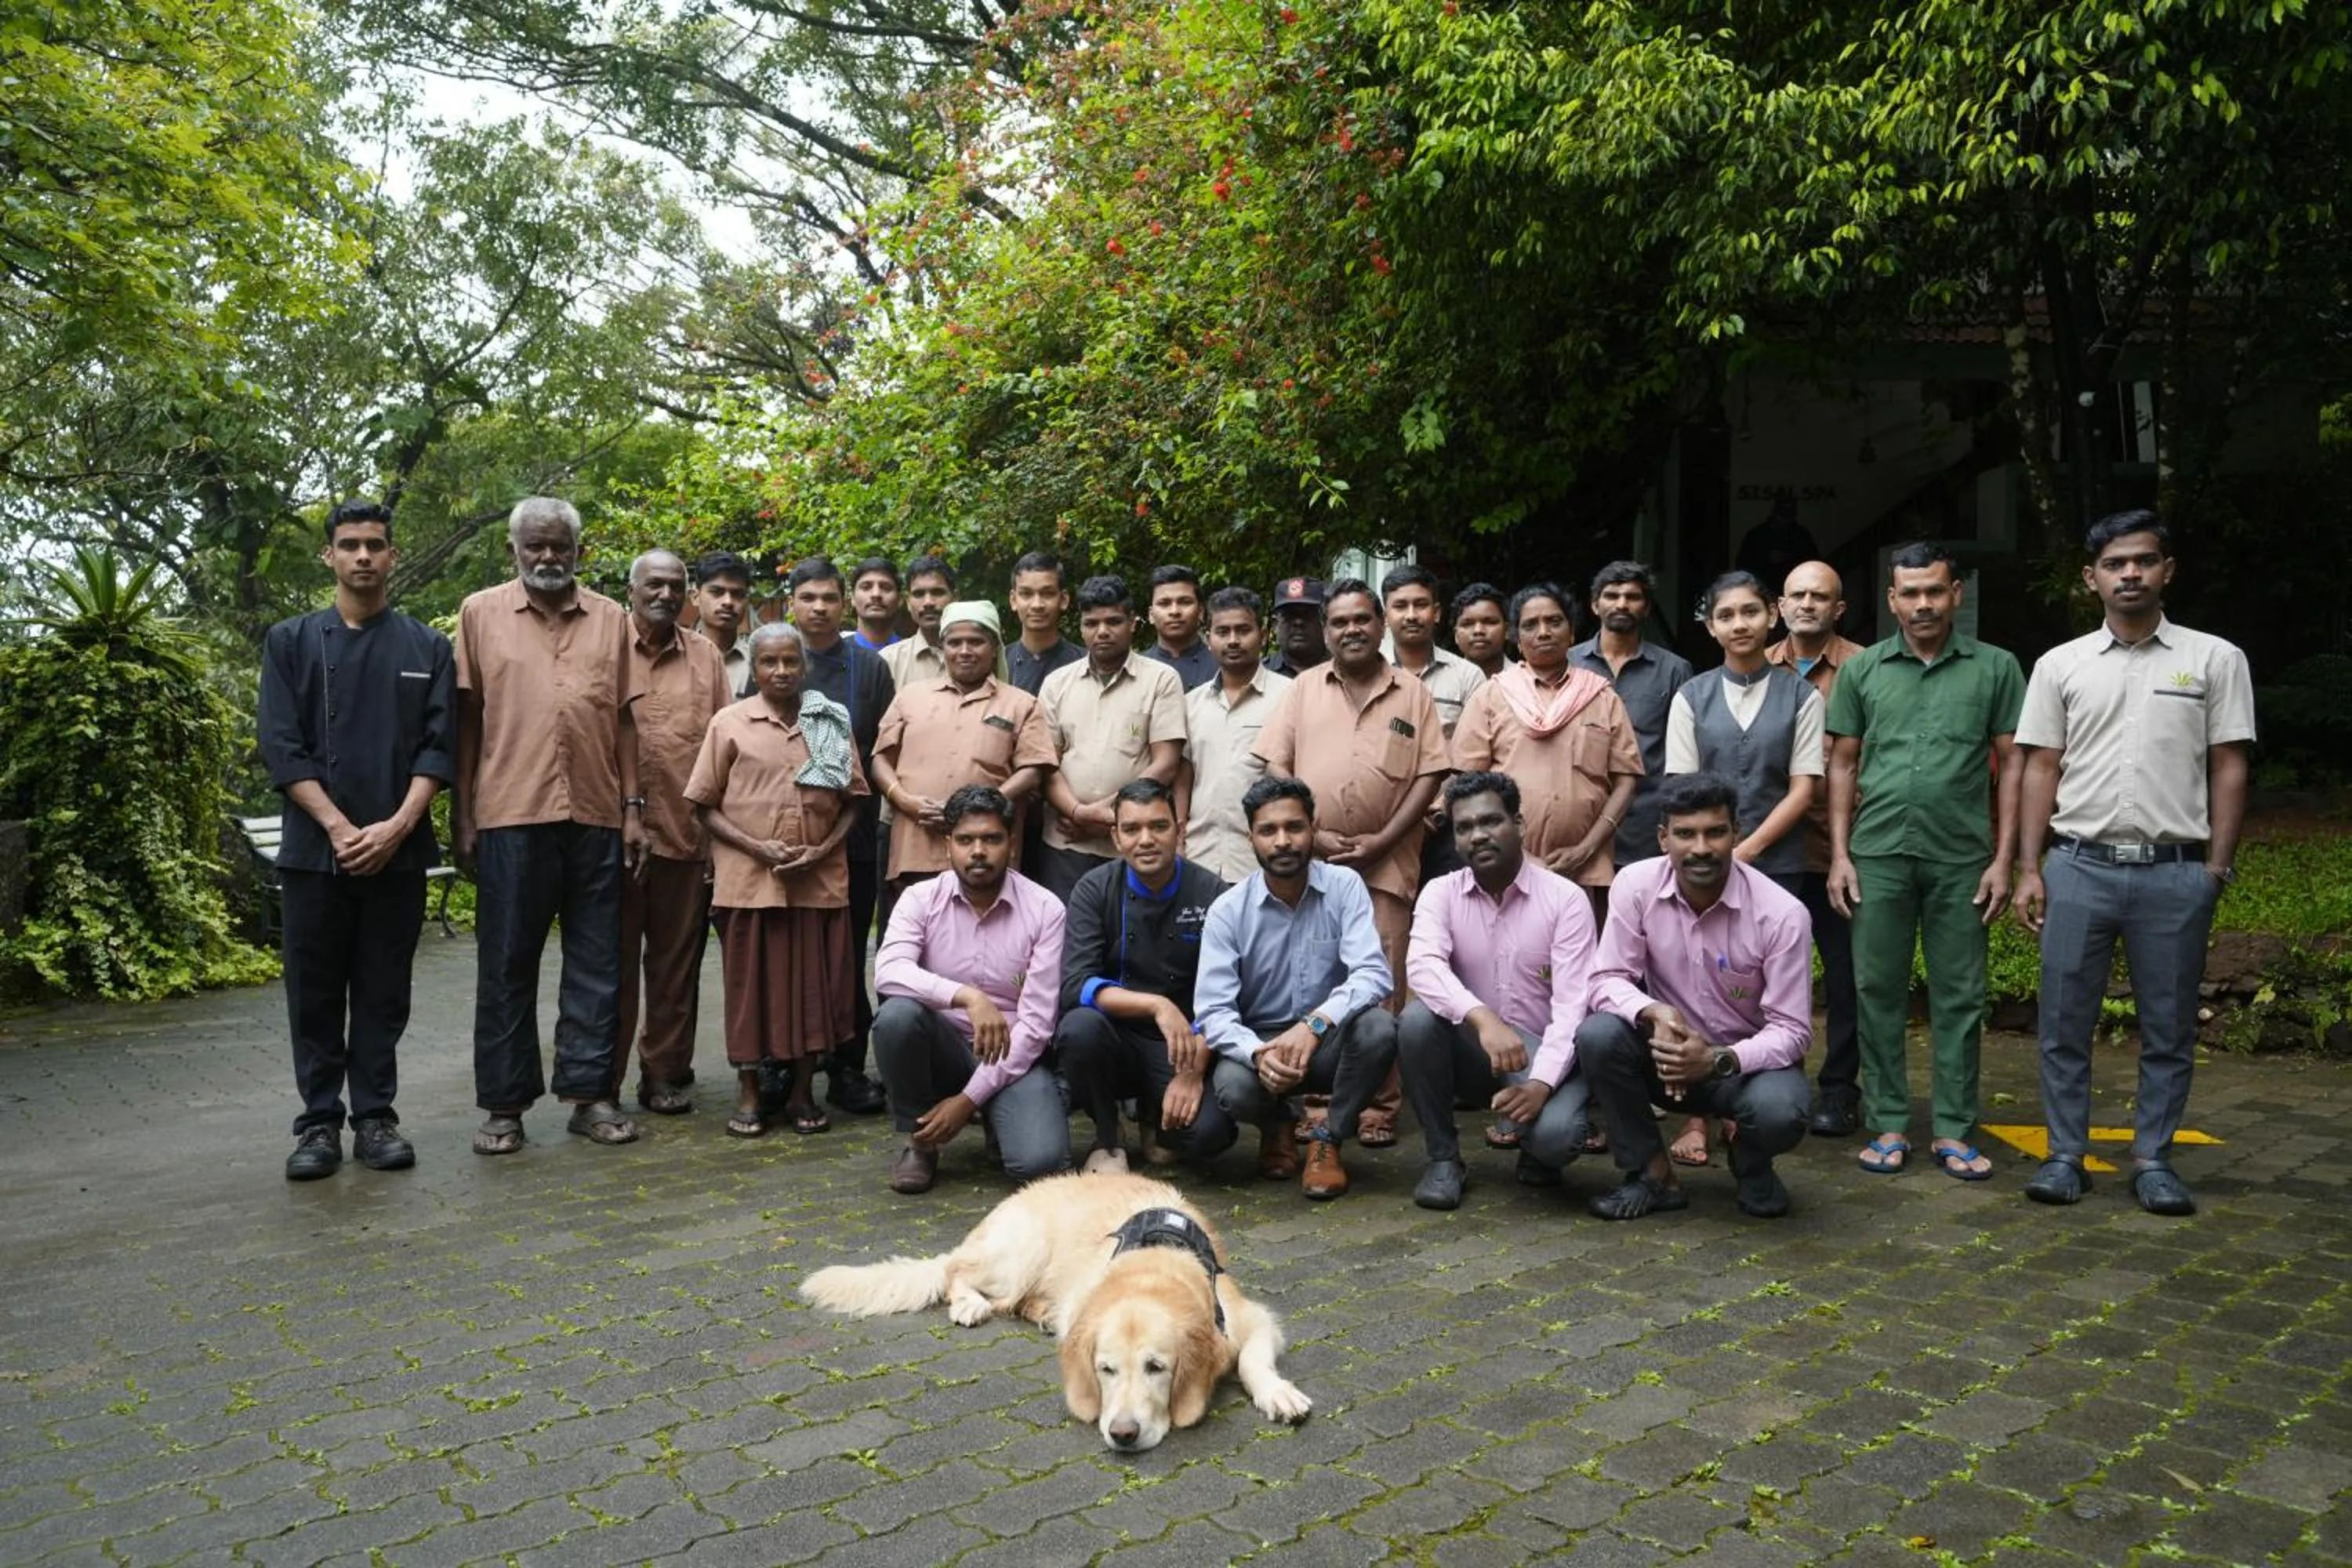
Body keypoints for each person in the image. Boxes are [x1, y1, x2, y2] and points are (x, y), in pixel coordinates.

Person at [2013, 513, 2255, 1217]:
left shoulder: (2215, 659)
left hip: (2174, 872)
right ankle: (2064, 1156)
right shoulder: (2060, 665)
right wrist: (2030, 867)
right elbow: (2040, 767)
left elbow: (2229, 764)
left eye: (2143, 561)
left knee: (2170, 1026)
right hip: (2077, 866)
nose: (2129, 574)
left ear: (2166, 570)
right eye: (2114, 564)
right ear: (2091, 578)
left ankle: (2154, 1158)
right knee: (2063, 1021)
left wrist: (2215, 869)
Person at [258, 500, 456, 1179]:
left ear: (393, 556)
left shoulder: (427, 647)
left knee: (383, 992)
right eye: (350, 545)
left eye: (375, 544)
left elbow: (439, 750)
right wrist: (341, 828)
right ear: (330, 556)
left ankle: (375, 1118)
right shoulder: (290, 642)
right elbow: (281, 747)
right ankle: (318, 1124)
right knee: (313, 994)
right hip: (316, 854)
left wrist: (397, 827)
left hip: (398, 853)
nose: (363, 556)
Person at [453, 496, 647, 1156]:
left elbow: (624, 718)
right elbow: (467, 719)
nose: (547, 557)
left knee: (597, 962)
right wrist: (462, 812)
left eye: (559, 546)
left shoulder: (611, 617)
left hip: (596, 814)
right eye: (535, 545)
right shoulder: (480, 613)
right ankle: (504, 1107)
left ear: (578, 550)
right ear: (513, 550)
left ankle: (590, 1097)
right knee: (506, 965)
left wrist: (633, 809)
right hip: (509, 813)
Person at [1827, 542, 2025, 1181]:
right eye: (1910, 593)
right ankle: (1887, 1121)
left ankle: (1954, 1129)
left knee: (1960, 995)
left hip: (1962, 857)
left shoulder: (1996, 668)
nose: (1923, 604)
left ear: (1956, 594)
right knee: (1875, 989)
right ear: (1892, 601)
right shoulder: (1863, 670)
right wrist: (1839, 855)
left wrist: (2005, 860)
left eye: (1935, 591)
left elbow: (2014, 765)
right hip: (1877, 854)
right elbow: (1843, 764)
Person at [1253, 576, 1447, 1146]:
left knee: (1383, 982)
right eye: (1339, 622)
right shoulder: (1303, 689)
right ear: (1325, 630)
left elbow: (1431, 773)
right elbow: (1275, 767)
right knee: (1317, 977)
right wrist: (1310, 836)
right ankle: (1319, 1099)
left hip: (1388, 864)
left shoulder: (1412, 693)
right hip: (1312, 866)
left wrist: (1385, 838)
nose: (1351, 630)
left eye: (1362, 619)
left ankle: (1379, 1106)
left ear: (1381, 624)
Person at [1574, 772, 1814, 1221]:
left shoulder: (1782, 915)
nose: (1700, 848)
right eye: (1685, 834)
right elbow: (1606, 979)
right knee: (1598, 1035)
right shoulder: (1636, 886)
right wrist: (1655, 1011)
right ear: (1663, 838)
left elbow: (1794, 1031)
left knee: (1780, 1109)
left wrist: (1719, 1059)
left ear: (1736, 834)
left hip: (1743, 1070)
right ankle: (1653, 1176)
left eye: (1715, 832)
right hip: (1667, 1063)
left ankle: (1751, 1160)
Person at [1661, 570, 1825, 1167]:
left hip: (1776, 865)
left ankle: (1746, 1105)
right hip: (1700, 866)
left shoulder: (1802, 696)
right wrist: (1715, 848)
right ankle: (1696, 1115)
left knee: (1759, 991)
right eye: (1726, 615)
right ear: (1710, 627)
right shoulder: (1692, 696)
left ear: (1772, 616)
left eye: (1750, 612)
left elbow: (1804, 788)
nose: (1740, 624)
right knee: (1693, 981)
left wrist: (1747, 850)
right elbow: (1681, 788)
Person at [687, 622, 869, 1137]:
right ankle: (749, 1091)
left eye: (791, 661)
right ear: (756, 668)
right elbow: (703, 805)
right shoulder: (730, 723)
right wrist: (758, 848)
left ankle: (802, 1092)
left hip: (818, 883)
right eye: (770, 662)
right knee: (751, 993)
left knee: (814, 992)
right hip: (750, 885)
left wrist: (820, 852)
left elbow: (853, 802)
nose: (782, 670)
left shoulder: (828, 720)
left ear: (804, 666)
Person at [1396, 772, 1600, 1210]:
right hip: (1479, 1048)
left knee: (1557, 1138)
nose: (1478, 835)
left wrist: (1541, 1084)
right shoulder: (1441, 893)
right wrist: (1483, 1018)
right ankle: (1443, 1160)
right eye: (1464, 827)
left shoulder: (1565, 899)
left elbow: (1574, 1007)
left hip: (1547, 1051)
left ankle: (1538, 1150)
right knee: (1416, 1021)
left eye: (1491, 821)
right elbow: (1423, 966)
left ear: (1519, 823)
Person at [1193, 776, 1398, 1198]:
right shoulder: (1227, 911)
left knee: (1379, 1029)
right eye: (1268, 831)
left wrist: (1315, 1024)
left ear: (1313, 828)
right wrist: (1257, 1053)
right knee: (1233, 1086)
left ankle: (1329, 1137)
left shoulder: (1344, 886)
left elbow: (1373, 974)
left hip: (1328, 1037)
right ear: (1251, 838)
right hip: (1264, 1045)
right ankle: (1278, 1125)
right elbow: (1212, 1012)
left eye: (1294, 827)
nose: (1283, 841)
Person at [871, 786, 1072, 1192]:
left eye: (991, 839)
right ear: (948, 845)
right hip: (942, 1046)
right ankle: (921, 1142)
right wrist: (968, 996)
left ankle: (994, 1114)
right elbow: (888, 970)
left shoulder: (1045, 909)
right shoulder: (920, 899)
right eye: (965, 840)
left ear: (1011, 843)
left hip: (1012, 1053)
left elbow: (1036, 1026)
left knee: (1042, 1165)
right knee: (896, 1018)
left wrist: (967, 1102)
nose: (978, 851)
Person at [1054, 779, 1232, 1174]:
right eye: (1132, 829)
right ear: (1116, 838)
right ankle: (1108, 1133)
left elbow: (1229, 993)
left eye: (1159, 826)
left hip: (1184, 1042)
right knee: (1078, 1029)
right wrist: (1156, 1005)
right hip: (1114, 1035)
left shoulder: (1212, 893)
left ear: (1179, 830)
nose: (1146, 840)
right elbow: (1075, 984)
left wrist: (1194, 1070)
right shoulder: (1095, 889)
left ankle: (1155, 1117)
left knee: (1209, 1136)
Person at [615, 550, 736, 1119]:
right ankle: (598, 1085)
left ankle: (663, 1074)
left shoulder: (705, 657)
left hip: (685, 837)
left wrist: (718, 840)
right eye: (653, 584)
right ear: (631, 590)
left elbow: (726, 749)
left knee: (673, 969)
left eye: (675, 586)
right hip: (613, 837)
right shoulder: (606, 647)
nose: (665, 594)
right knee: (610, 967)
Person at [1452, 583, 1642, 913]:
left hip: (1585, 867)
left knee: (1580, 946)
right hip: (1504, 866)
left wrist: (1586, 849)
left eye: (1554, 622)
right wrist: (1521, 856)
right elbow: (1467, 784)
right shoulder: (1492, 696)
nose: (1543, 632)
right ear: (1516, 638)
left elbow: (1626, 781)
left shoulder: (1602, 697)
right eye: (1530, 625)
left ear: (1572, 633)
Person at [784, 557, 895, 1116]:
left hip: (854, 833)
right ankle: (784, 1063)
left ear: (844, 602)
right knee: (789, 953)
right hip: (785, 833)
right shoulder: (777, 657)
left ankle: (847, 1066)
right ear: (792, 603)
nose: (820, 608)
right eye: (808, 598)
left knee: (848, 952)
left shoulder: (869, 669)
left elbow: (883, 750)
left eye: (829, 597)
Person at [1765, 561, 1869, 1137]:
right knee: (1765, 975)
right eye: (1797, 595)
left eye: (1820, 596)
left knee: (1847, 977)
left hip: (1840, 850)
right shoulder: (1753, 662)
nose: (1807, 604)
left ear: (1839, 608)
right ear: (1780, 606)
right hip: (1769, 849)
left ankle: (1838, 1090)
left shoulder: (1866, 667)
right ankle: (1766, 1079)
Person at [871, 601, 1057, 887]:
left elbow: (1032, 771)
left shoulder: (1021, 704)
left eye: (976, 642)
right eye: (955, 643)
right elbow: (881, 760)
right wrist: (905, 801)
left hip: (988, 854)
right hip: (915, 847)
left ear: (994, 647)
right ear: (943, 649)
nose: (965, 651)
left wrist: (977, 808)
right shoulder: (909, 696)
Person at [1035, 575, 1188, 898]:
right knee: (1069, 926)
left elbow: (1166, 764)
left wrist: (1112, 816)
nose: (1102, 631)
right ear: (1081, 628)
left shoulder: (1161, 680)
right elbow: (1046, 764)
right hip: (1066, 842)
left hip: (1134, 846)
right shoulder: (1056, 684)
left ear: (1132, 623)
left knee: (1129, 927)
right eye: (1091, 623)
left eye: (1113, 622)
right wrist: (1078, 813)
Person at [1572, 561, 1693, 874]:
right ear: (1595, 605)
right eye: (1612, 596)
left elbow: (1682, 754)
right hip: (1578, 819)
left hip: (1645, 824)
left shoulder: (1674, 670)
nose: (1622, 604)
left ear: (1647, 607)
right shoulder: (1569, 663)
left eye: (1633, 597)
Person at [1177, 586, 1291, 886]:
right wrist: (1179, 838)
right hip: (1200, 857)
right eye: (1222, 632)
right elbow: (1185, 775)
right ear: (1208, 638)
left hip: (1265, 860)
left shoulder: (1291, 696)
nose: (1233, 640)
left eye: (1243, 630)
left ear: (1263, 634)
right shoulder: (1191, 704)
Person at [1381, 564, 1486, 739]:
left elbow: (1475, 746)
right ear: (1385, 617)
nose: (1411, 615)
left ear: (1436, 613)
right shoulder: (1369, 674)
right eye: (1400, 606)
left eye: (1421, 605)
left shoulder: (1468, 676)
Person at [1006, 550, 1083, 696]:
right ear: (1013, 600)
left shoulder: (1085, 664)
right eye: (1026, 594)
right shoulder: (997, 665)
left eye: (1047, 594)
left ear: (1064, 599)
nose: (1037, 605)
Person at [880, 553, 955, 692]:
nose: (928, 602)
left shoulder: (976, 657)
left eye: (937, 592)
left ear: (955, 598)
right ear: (908, 602)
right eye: (919, 594)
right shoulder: (888, 661)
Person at [692, 550, 758, 697]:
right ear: (695, 597)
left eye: (737, 594)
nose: (728, 602)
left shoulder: (758, 663)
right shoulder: (676, 659)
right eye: (716, 592)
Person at [1144, 564, 1217, 690]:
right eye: (1164, 604)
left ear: (1201, 612)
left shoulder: (1223, 667)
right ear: (1151, 615)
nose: (1175, 611)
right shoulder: (1135, 670)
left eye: (1184, 602)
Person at [1263, 576, 1330, 676]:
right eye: (1290, 615)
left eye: (1308, 614)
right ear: (1275, 624)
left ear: (1325, 622)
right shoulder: (1260, 674)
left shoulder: (1345, 671)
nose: (1298, 622)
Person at [1450, 583, 1512, 680]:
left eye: (1490, 622)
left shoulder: (1527, 681)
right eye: (1468, 624)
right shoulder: (1442, 681)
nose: (1478, 631)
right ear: (1456, 635)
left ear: (1507, 630)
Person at [849, 556, 902, 653]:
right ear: (852, 598)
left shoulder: (912, 655)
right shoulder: (833, 656)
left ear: (900, 599)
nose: (876, 594)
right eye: (866, 587)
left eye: (886, 588)